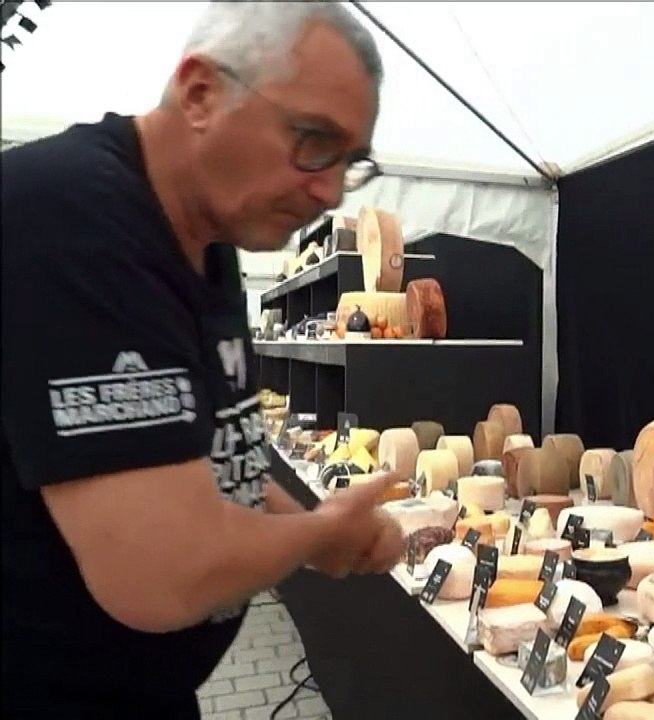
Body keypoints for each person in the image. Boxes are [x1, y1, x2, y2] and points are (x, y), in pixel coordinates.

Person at [0, 3, 406, 716]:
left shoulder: (206, 234)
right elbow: (162, 572)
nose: (329, 190)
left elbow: (221, 458)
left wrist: (315, 528)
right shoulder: (72, 221)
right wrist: (319, 533)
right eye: (313, 141)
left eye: (351, 162)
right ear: (200, 94)